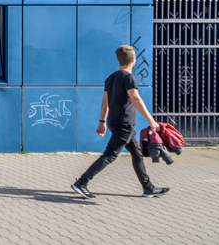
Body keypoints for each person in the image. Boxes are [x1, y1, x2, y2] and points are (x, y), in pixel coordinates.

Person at [71, 45, 169, 198]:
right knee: (109, 155)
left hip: (116, 121)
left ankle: (148, 188)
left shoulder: (110, 78)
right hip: (124, 124)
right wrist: (151, 120)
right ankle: (81, 183)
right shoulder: (129, 77)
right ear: (133, 60)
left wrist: (102, 121)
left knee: (137, 154)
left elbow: (105, 102)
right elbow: (136, 99)